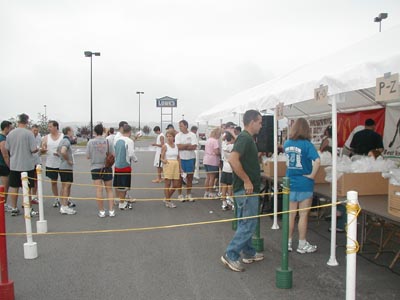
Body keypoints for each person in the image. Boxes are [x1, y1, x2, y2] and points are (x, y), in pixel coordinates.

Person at [221, 110, 264, 272]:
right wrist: (246, 180)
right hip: (246, 190)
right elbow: (232, 159)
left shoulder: (246, 139)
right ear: (252, 122)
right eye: (260, 122)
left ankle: (249, 252)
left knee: (245, 222)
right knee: (248, 223)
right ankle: (230, 254)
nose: (261, 125)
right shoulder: (245, 138)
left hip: (244, 189)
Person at [284, 117, 320, 254]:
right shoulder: (307, 145)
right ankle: (302, 243)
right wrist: (311, 175)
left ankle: (287, 242)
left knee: (290, 215)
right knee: (303, 215)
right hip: (304, 183)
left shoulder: (287, 143)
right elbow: (317, 161)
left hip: (290, 181)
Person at [5, 113, 38, 216]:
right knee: (27, 188)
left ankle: (14, 207)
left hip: (14, 164)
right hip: (27, 165)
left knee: (14, 187)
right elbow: (33, 149)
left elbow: (7, 148)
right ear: (27, 121)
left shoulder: (10, 134)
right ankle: (28, 208)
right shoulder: (29, 134)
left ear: (18, 121)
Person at [86, 124, 115, 218]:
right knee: (109, 190)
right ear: (103, 131)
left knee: (99, 190)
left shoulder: (90, 142)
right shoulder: (107, 141)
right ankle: (111, 211)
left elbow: (87, 156)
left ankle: (102, 211)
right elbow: (112, 154)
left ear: (94, 132)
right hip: (106, 167)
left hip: (95, 167)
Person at [113, 124, 138, 210]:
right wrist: (135, 159)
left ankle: (120, 200)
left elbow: (114, 152)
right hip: (125, 165)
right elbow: (131, 153)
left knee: (119, 184)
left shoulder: (117, 140)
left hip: (117, 165)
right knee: (124, 185)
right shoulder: (129, 141)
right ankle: (122, 203)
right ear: (130, 132)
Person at [41, 120, 64, 208]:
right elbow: (43, 148)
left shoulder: (62, 137)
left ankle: (64, 199)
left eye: (50, 126)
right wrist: (43, 150)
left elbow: (67, 149)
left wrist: (60, 154)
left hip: (62, 163)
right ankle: (56, 198)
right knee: (53, 182)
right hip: (51, 163)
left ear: (56, 127)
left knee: (64, 183)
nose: (49, 128)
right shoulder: (46, 137)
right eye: (49, 126)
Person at [175, 120, 198, 202]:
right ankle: (180, 194)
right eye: (179, 126)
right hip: (181, 159)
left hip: (190, 158)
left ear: (186, 126)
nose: (180, 127)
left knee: (190, 177)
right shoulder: (178, 135)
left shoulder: (192, 135)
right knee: (180, 178)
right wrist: (187, 145)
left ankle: (188, 194)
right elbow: (177, 146)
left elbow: (194, 147)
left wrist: (184, 146)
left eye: (181, 126)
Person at [57, 127, 76, 215]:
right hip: (66, 167)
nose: (73, 133)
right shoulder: (66, 141)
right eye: (72, 131)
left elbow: (58, 152)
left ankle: (63, 204)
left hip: (62, 166)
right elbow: (63, 151)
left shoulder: (61, 140)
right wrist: (68, 160)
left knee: (64, 185)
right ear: (68, 132)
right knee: (66, 186)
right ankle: (64, 206)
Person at [160, 129, 180, 208]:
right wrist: (163, 160)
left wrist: (180, 168)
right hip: (168, 164)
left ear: (173, 137)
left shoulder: (176, 146)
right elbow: (161, 157)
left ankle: (167, 197)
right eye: (167, 136)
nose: (168, 138)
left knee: (175, 184)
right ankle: (168, 201)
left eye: (170, 136)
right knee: (167, 184)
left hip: (175, 165)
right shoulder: (165, 146)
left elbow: (178, 157)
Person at [203, 127, 222, 199]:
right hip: (213, 160)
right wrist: (220, 153)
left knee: (207, 177)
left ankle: (206, 192)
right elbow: (216, 151)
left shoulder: (208, 140)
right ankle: (211, 192)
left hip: (206, 159)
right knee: (212, 177)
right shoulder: (215, 141)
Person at [220, 131, 235, 210]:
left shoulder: (224, 145)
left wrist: (223, 137)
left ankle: (224, 203)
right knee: (230, 186)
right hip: (232, 168)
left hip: (225, 167)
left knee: (224, 186)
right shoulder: (233, 146)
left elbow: (222, 140)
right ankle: (231, 202)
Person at [0, 120, 12, 212]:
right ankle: (3, 204)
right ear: (6, 128)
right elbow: (5, 154)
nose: (11, 129)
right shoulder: (2, 139)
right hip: (3, 165)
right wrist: (9, 166)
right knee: (5, 186)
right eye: (10, 128)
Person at [30, 124, 42, 202]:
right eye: (34, 130)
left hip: (37, 161)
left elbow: (40, 148)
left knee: (36, 180)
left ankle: (34, 196)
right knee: (29, 180)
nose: (36, 132)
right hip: (29, 161)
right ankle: (28, 197)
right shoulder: (28, 137)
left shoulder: (39, 137)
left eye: (37, 130)